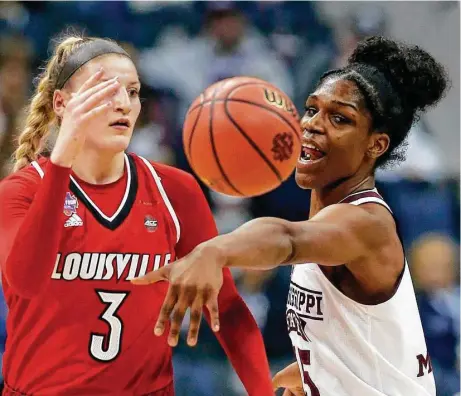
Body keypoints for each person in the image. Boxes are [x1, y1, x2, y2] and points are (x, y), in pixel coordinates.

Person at [133, 36, 449, 396]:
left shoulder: (367, 223)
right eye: (312, 109)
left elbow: (286, 239)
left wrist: (214, 250)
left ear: (375, 145)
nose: (313, 124)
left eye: (340, 118)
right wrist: (320, 368)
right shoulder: (329, 222)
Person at [0, 34, 273, 395]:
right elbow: (26, 281)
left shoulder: (175, 190)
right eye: (104, 91)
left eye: (132, 92)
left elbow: (227, 309)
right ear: (62, 103)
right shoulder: (21, 191)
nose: (123, 105)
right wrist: (62, 161)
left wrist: (264, 391)